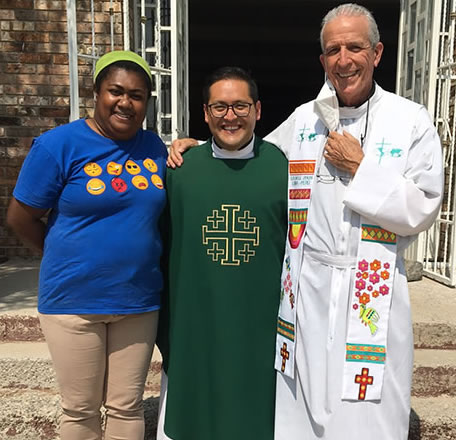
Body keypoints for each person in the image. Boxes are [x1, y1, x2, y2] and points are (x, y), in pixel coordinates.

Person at [167, 4, 444, 439]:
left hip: (369, 289)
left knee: (366, 409)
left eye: (355, 47)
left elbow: (424, 207)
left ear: (377, 53)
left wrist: (362, 169)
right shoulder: (305, 119)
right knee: (301, 407)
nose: (343, 59)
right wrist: (198, 146)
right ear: (322, 61)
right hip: (307, 289)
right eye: (333, 49)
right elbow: (252, 155)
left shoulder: (410, 120)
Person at [6, 50, 167, 440]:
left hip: (138, 300)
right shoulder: (59, 145)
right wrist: (61, 254)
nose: (126, 103)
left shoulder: (155, 147)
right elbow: (19, 217)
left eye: (138, 95)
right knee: (80, 411)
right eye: (116, 91)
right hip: (73, 301)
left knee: (126, 406)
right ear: (96, 93)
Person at [156, 67, 288, 440]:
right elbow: (161, 243)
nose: (230, 116)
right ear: (205, 113)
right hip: (195, 320)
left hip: (260, 324)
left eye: (240, 106)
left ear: (258, 110)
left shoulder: (283, 167)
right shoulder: (179, 171)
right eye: (219, 107)